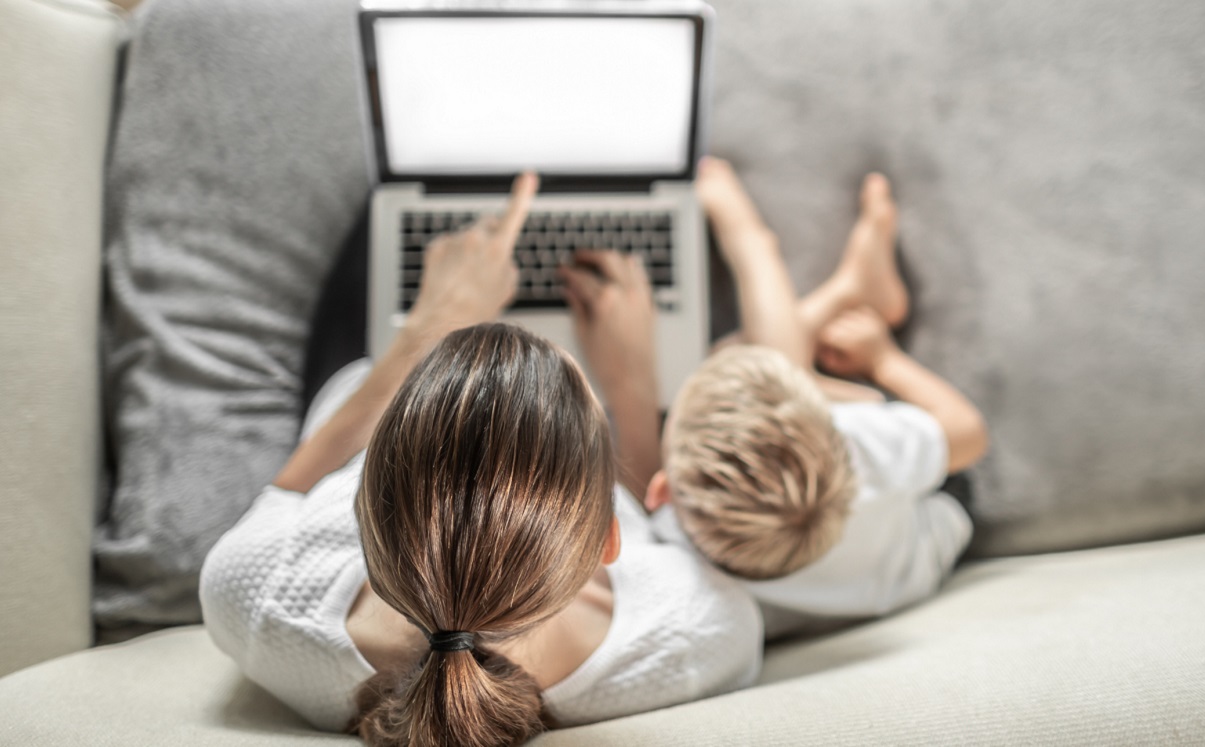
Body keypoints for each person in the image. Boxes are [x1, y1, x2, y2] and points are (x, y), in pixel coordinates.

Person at [198, 173, 762, 747]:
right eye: (583, 390)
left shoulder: (250, 595)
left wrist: (429, 327)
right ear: (607, 542)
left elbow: (286, 497)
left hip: (360, 386)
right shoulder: (701, 629)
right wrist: (633, 385)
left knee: (386, 202)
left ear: (357, 508)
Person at [561, 158, 988, 639]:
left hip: (870, 534)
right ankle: (769, 252)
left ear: (662, 491)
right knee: (743, 356)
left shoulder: (684, 564)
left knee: (732, 352)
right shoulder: (857, 452)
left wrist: (628, 385)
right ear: (832, 431)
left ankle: (845, 291)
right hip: (928, 517)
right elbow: (968, 434)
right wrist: (884, 360)